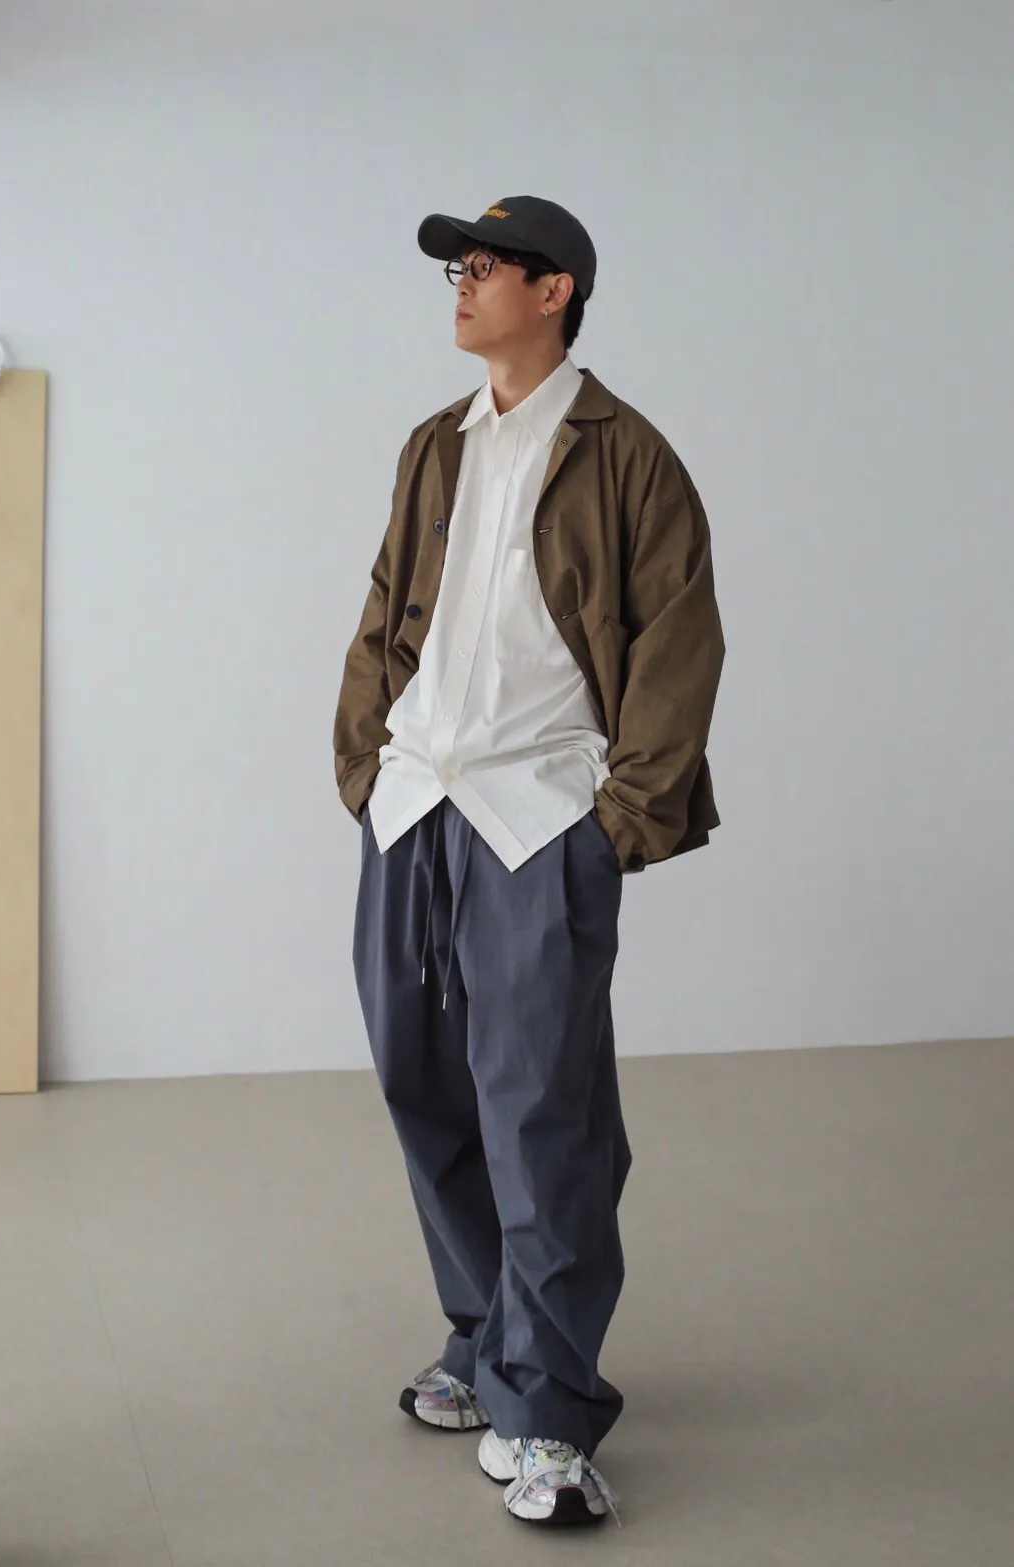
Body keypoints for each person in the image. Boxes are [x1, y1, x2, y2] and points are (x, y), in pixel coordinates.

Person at [334, 195, 724, 1528]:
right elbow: (386, 610)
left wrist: (619, 822)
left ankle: (549, 1411)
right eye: (456, 266)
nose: (461, 283)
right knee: (421, 1080)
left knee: (543, 1111)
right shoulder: (433, 444)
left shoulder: (631, 457)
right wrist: (364, 762)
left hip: (540, 816)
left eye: (486, 265)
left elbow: (679, 645)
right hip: (413, 808)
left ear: (555, 291)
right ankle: (484, 1331)